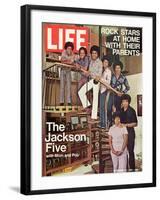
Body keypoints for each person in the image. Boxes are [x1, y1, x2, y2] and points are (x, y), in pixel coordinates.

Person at [78, 45, 102, 120]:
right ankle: (87, 106)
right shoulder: (91, 61)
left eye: (95, 53)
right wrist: (87, 73)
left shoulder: (100, 62)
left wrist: (97, 77)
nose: (94, 54)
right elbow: (89, 72)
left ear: (97, 54)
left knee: (95, 99)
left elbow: (99, 74)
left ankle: (94, 117)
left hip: (96, 81)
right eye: (92, 53)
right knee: (81, 92)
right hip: (91, 80)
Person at [108, 60, 130, 125]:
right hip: (111, 95)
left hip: (119, 97)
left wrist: (123, 92)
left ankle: (118, 124)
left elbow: (128, 87)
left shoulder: (123, 77)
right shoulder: (112, 76)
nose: (117, 69)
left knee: (119, 111)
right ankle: (111, 123)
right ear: (114, 69)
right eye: (116, 68)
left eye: (119, 68)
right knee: (110, 109)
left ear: (121, 69)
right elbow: (109, 85)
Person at [120, 94, 138, 171]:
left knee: (130, 151)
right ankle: (125, 168)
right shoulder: (120, 111)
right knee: (123, 152)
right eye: (123, 101)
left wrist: (126, 125)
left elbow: (135, 123)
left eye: (126, 101)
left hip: (130, 134)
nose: (124, 103)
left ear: (128, 102)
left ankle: (132, 169)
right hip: (122, 134)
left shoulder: (132, 110)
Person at [60, 41, 75, 106]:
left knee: (69, 86)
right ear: (66, 48)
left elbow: (71, 62)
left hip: (68, 71)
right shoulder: (63, 52)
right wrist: (67, 61)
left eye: (70, 49)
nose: (69, 50)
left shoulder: (73, 54)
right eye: (68, 48)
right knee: (62, 86)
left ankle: (69, 101)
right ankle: (61, 101)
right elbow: (62, 61)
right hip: (63, 70)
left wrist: (66, 61)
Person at [99, 55, 112, 129]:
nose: (105, 63)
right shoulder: (101, 70)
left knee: (104, 108)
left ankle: (104, 124)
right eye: (104, 62)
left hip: (105, 91)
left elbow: (108, 82)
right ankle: (101, 123)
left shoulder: (108, 71)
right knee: (101, 108)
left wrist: (101, 79)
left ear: (108, 63)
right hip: (100, 90)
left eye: (106, 62)